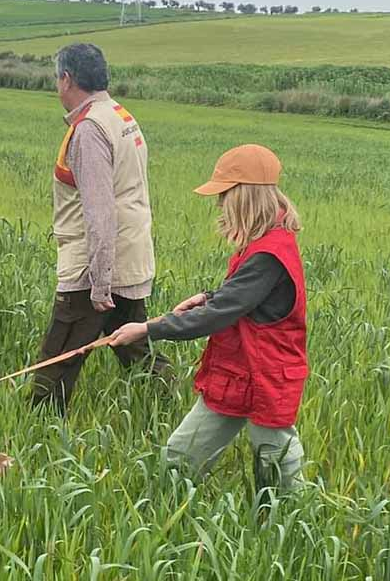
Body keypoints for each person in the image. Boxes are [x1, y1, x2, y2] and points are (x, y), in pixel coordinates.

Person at [110, 144, 308, 490]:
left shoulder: (269, 254)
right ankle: (165, 511)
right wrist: (208, 296)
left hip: (266, 377)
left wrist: (147, 328)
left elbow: (217, 316)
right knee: (179, 459)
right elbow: (241, 298)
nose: (219, 205)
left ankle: (293, 529)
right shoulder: (266, 243)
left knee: (278, 473)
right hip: (237, 373)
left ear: (244, 197)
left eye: (224, 196)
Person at [32, 43, 169, 415]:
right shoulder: (120, 116)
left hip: (93, 268)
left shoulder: (89, 130)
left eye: (56, 78)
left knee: (59, 357)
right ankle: (167, 406)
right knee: (133, 342)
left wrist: (100, 281)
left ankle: (36, 428)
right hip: (129, 255)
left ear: (67, 79)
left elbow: (100, 211)